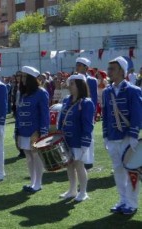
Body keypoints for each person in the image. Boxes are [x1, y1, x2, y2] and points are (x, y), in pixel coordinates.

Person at [103, 56, 142, 215]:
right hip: (113, 137)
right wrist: (105, 135)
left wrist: (133, 135)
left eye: (112, 69)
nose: (109, 72)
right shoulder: (107, 92)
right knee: (118, 170)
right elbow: (105, 115)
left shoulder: (133, 90)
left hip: (127, 138)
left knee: (131, 171)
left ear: (121, 71)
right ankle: (122, 200)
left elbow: (137, 114)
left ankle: (132, 203)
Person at [57, 74, 95, 202]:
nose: (69, 86)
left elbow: (87, 125)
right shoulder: (67, 99)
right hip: (66, 139)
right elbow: (61, 119)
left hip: (78, 140)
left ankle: (83, 192)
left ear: (80, 85)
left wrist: (85, 142)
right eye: (70, 83)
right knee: (69, 165)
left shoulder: (86, 102)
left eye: (72, 83)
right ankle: (72, 190)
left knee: (79, 165)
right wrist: (58, 135)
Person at [15, 66, 49, 193]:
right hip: (24, 130)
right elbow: (19, 113)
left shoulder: (41, 92)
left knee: (36, 155)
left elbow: (44, 114)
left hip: (35, 131)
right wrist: (17, 131)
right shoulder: (23, 93)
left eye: (24, 77)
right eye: (21, 76)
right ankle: (32, 182)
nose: (21, 79)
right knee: (28, 156)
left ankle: (38, 183)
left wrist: (42, 132)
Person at [76, 57, 98, 170]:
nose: (77, 67)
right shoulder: (74, 79)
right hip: (76, 112)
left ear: (86, 67)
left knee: (89, 136)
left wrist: (93, 114)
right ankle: (80, 159)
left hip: (87, 111)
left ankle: (89, 161)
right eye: (77, 64)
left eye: (80, 65)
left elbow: (93, 98)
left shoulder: (92, 80)